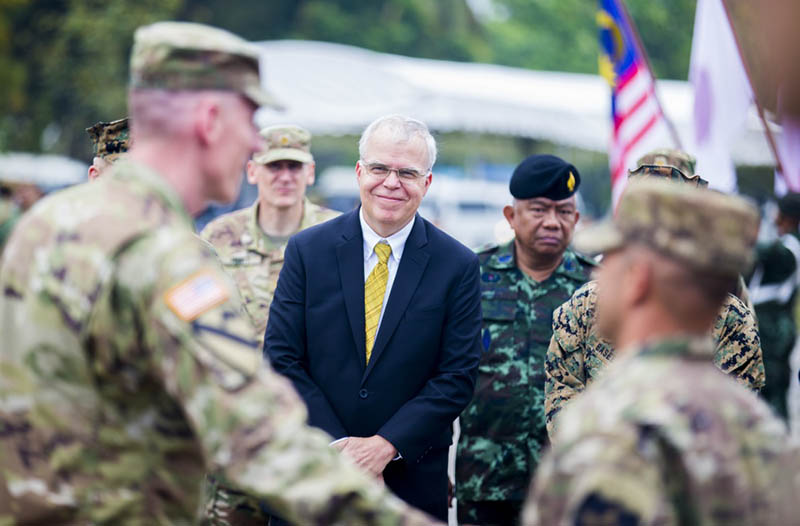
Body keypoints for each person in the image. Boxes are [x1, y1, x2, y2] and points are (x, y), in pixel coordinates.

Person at [0, 22, 439, 526]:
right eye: (251, 119)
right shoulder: (164, 255)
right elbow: (259, 433)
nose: (257, 141)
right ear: (210, 120)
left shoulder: (46, 224)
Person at [524, 179, 796, 525]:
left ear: (637, 280)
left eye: (610, 261)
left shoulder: (610, 427)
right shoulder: (765, 434)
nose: (596, 271)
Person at [265, 114, 482, 521]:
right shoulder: (307, 251)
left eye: (407, 173)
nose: (391, 182)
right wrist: (342, 450)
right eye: (380, 168)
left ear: (427, 183)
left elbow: (456, 377)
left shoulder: (458, 265)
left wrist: (382, 447)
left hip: (407, 486)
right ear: (359, 171)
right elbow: (281, 359)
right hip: (311, 474)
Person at [544, 157, 765, 437]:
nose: (601, 266)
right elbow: (563, 397)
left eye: (615, 252)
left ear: (639, 272)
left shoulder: (733, 320)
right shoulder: (581, 307)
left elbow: (732, 427)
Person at [454, 154, 595, 525]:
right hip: (485, 477)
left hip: (571, 482)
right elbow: (440, 369)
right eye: (538, 209)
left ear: (576, 220)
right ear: (510, 215)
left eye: (564, 212)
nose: (552, 221)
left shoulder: (599, 285)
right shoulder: (470, 275)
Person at [201, 124, 339, 344]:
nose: (285, 177)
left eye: (294, 167)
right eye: (274, 166)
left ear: (310, 172)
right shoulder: (219, 236)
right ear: (252, 172)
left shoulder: (337, 233)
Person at [748, 192, 800, 419]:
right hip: (771, 322)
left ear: (787, 217)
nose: (774, 217)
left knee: (772, 393)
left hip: (773, 324)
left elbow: (762, 253)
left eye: (778, 212)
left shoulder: (790, 247)